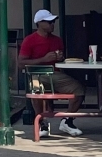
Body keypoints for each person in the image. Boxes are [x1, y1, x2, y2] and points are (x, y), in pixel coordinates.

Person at [16, 9, 80, 137]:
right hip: (37, 74)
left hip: (55, 74)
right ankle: (41, 122)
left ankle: (67, 120)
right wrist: (43, 59)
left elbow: (61, 58)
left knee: (79, 89)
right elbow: (21, 63)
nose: (52, 24)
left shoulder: (57, 40)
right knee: (36, 90)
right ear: (39, 23)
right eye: (49, 22)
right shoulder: (29, 40)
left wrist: (60, 57)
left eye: (53, 22)